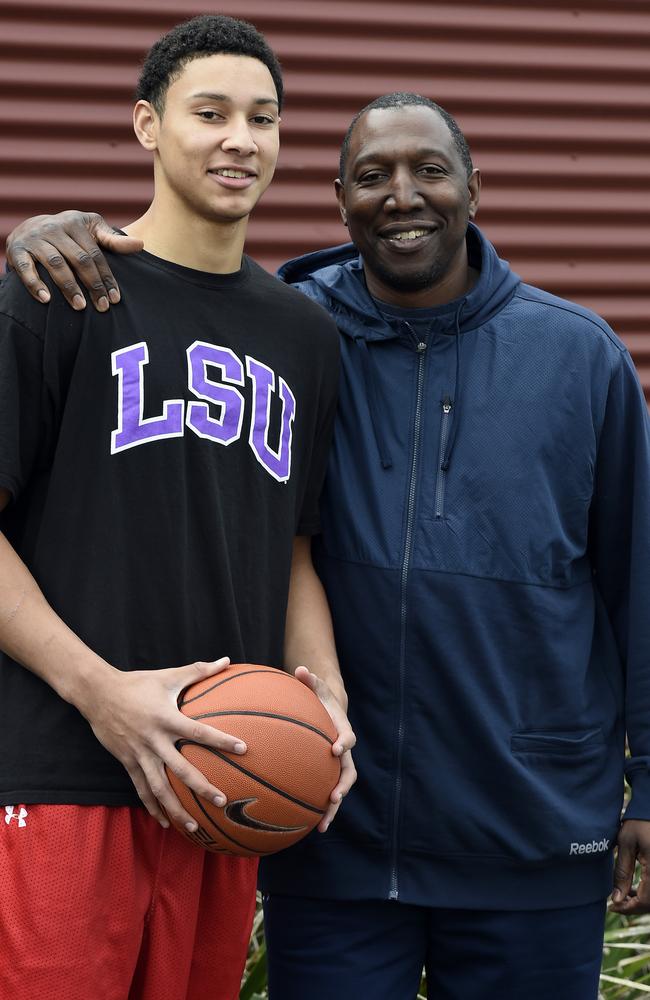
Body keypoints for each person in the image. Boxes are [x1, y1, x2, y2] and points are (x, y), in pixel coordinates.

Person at [6, 91, 650, 1000]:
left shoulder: (580, 358)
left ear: (475, 187)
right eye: (372, 176)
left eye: (430, 170)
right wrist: (48, 230)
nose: (404, 196)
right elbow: (175, 287)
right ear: (338, 200)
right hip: (330, 835)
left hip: (529, 838)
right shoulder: (287, 333)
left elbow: (639, 581)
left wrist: (648, 786)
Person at [0, 15, 355, 1000]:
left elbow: (291, 544)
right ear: (148, 126)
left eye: (263, 117)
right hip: (63, 770)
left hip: (225, 780)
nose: (241, 138)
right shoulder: (56, 289)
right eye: (210, 112)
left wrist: (320, 694)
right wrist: (101, 692)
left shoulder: (302, 334)